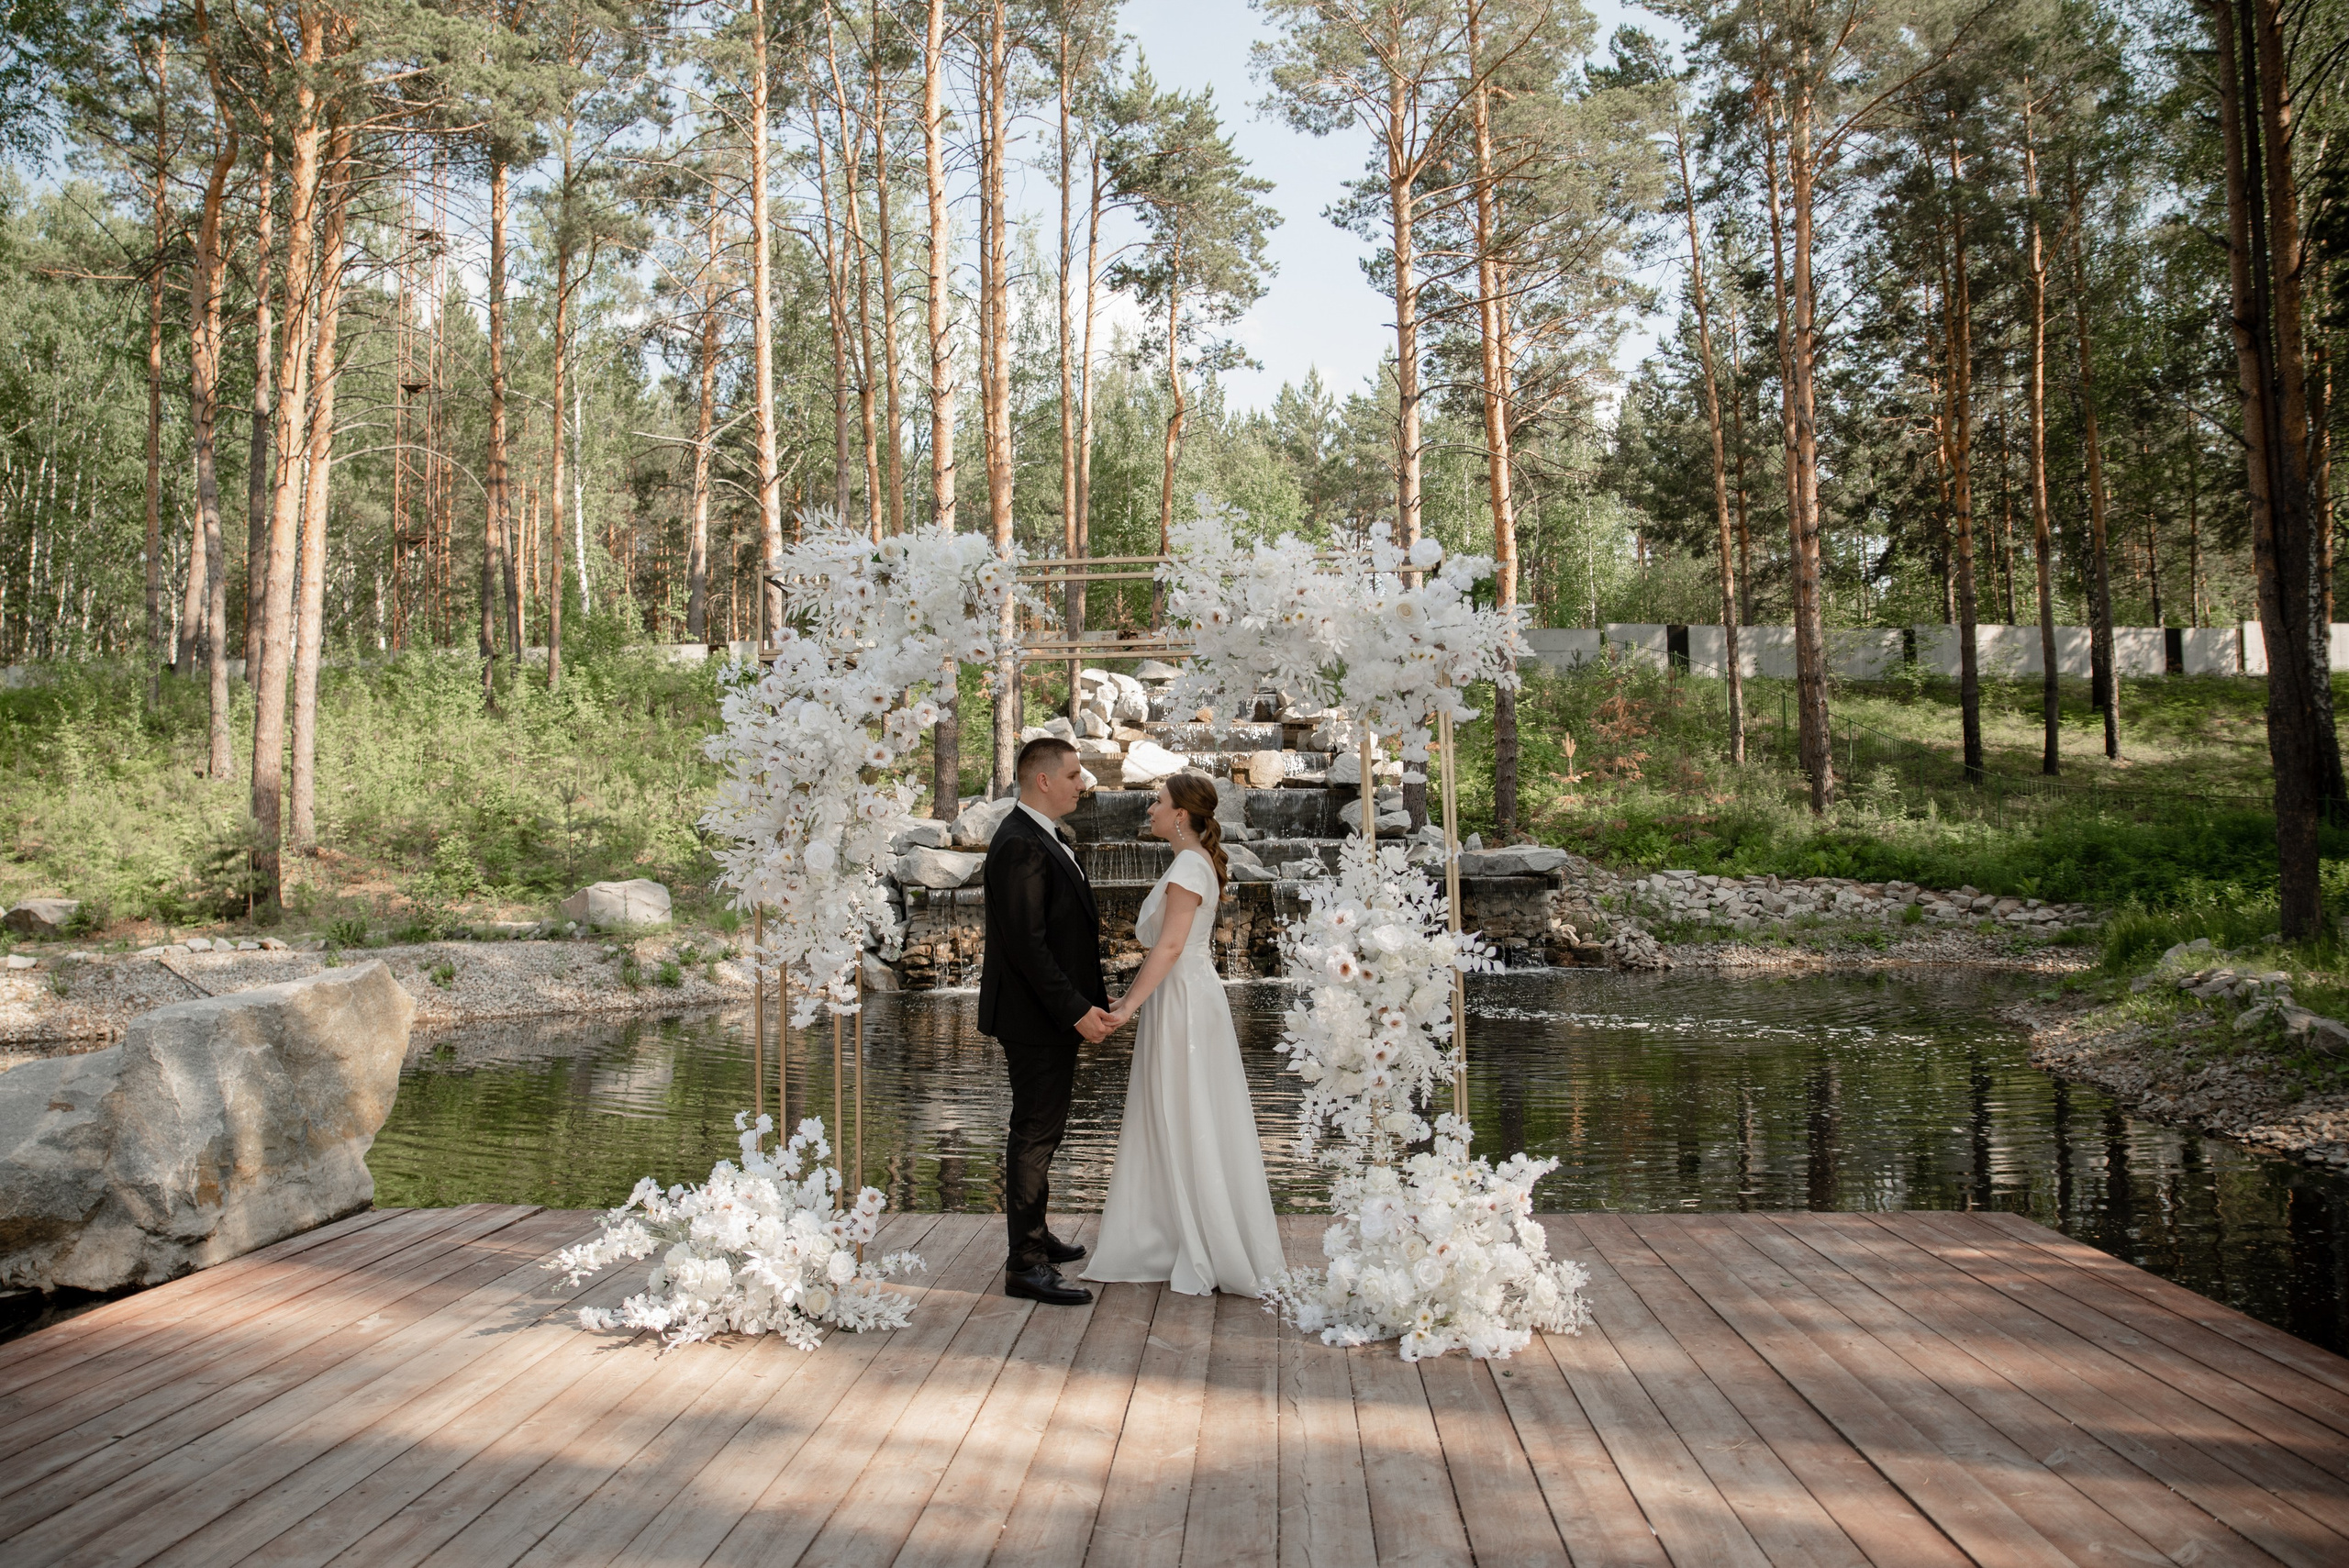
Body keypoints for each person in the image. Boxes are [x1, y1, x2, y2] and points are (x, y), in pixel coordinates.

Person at [1084, 771, 1285, 1296]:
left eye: (1157, 802)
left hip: (1184, 999)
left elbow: (1169, 948)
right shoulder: (1192, 863)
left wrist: (1126, 1005)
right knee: (1182, 1105)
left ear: (1179, 814)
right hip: (1185, 995)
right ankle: (1177, 1229)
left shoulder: (1189, 867)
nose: (1148, 809)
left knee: (1184, 1104)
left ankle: (1189, 1236)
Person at [977, 735, 1117, 1305]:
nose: (1082, 783)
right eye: (1074, 774)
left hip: (1048, 1015)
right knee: (1033, 1135)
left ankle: (1035, 1235)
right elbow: (1027, 947)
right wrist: (1076, 1010)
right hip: (1035, 1018)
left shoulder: (1042, 836)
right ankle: (1024, 1264)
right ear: (1042, 780)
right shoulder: (1019, 844)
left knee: (1046, 1131)